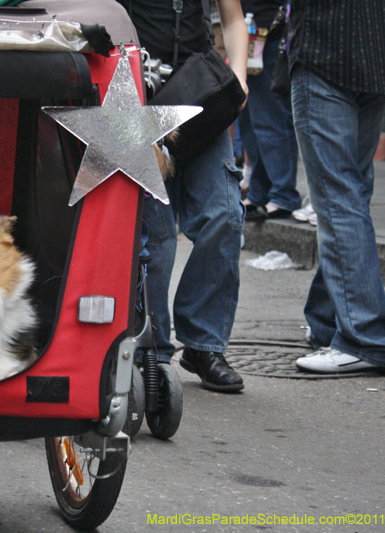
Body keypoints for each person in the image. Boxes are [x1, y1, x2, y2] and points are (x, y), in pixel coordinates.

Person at [120, 0, 248, 392]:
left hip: (201, 93)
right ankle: (152, 352)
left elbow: (233, 18)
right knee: (155, 235)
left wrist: (239, 78)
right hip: (137, 96)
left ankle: (203, 344)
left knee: (224, 214)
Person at [288, 1, 385, 374]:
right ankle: (327, 322)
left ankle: (363, 337)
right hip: (376, 60)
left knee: (338, 201)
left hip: (325, 55)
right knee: (350, 195)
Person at [240, 0, 301, 221]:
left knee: (271, 120)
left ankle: (283, 194)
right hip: (247, 31)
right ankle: (259, 192)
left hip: (270, 32)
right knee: (251, 122)